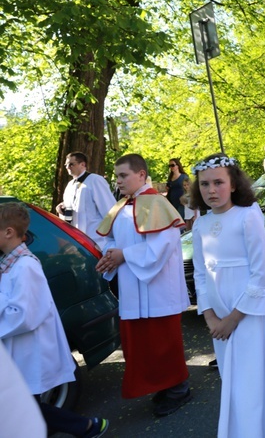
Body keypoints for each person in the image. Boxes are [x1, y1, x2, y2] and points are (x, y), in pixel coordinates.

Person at [189, 154, 265, 437]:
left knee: (254, 378)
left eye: (219, 182)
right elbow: (199, 273)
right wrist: (209, 316)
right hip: (218, 317)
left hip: (249, 312)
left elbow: (259, 272)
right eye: (205, 184)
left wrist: (233, 318)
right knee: (233, 379)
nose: (211, 190)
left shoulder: (247, 215)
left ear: (233, 184)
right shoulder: (200, 225)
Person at [0, 202, 109, 438]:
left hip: (28, 350)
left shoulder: (25, 266)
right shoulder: (9, 265)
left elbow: (25, 315)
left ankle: (87, 427)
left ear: (8, 232)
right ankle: (87, 427)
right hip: (19, 350)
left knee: (20, 406)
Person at [95, 154, 192, 417]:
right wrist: (109, 255)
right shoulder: (120, 207)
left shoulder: (158, 204)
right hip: (132, 285)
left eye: (123, 175)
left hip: (159, 287)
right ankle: (164, 384)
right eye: (117, 176)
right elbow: (107, 238)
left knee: (163, 340)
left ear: (140, 175)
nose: (118, 181)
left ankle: (179, 389)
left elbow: (161, 247)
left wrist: (123, 255)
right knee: (143, 343)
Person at [56, 152, 116, 248]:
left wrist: (115, 239)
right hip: (76, 241)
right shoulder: (70, 185)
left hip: (96, 240)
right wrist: (61, 208)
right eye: (66, 164)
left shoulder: (95, 180)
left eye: (71, 164)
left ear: (82, 164)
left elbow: (110, 210)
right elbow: (73, 207)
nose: (67, 167)